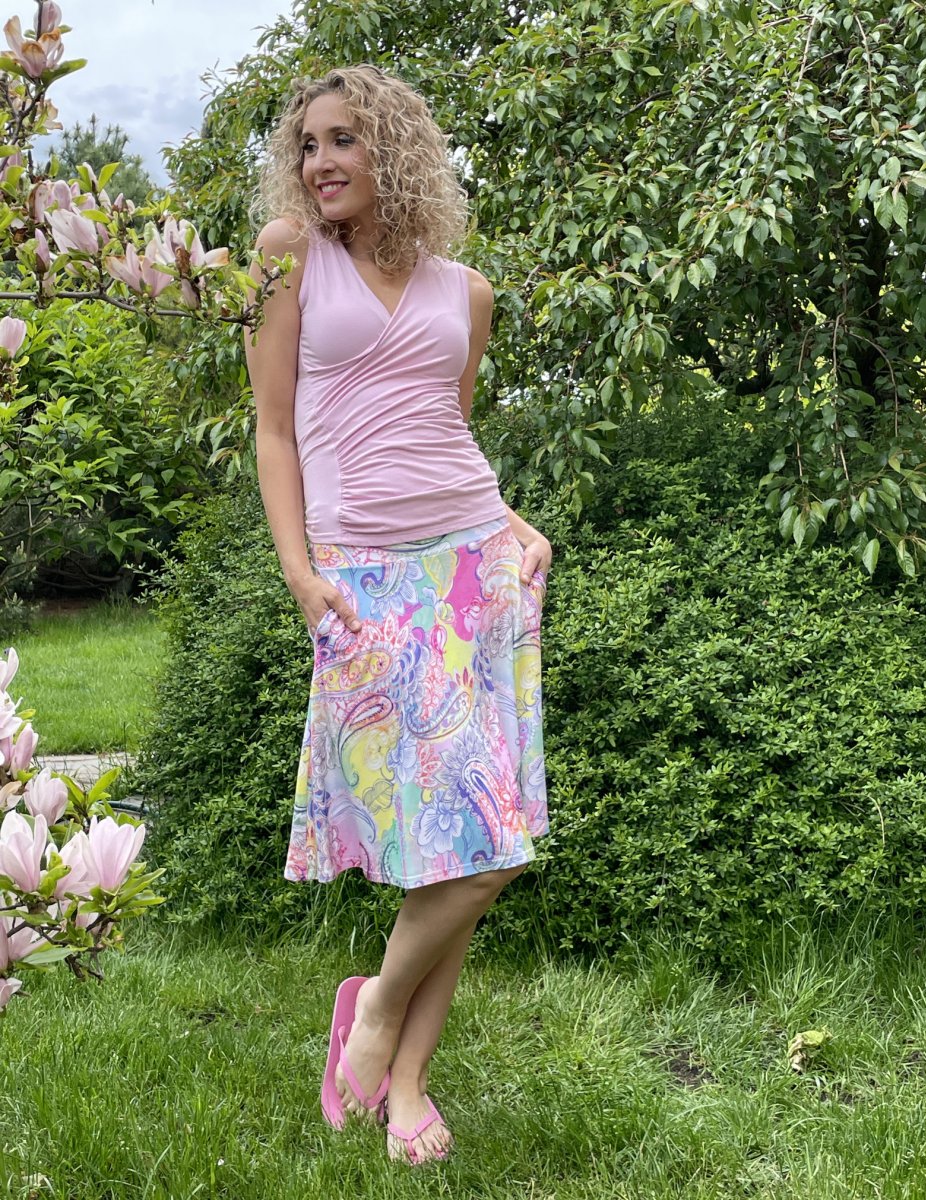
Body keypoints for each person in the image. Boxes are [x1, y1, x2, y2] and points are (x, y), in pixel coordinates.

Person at [244, 64, 550, 1166]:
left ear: (395, 150)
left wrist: (515, 527)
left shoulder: (465, 291)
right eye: (308, 143)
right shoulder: (287, 256)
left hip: (474, 571)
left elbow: (443, 432)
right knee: (453, 850)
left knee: (480, 844)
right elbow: (274, 429)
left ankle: (387, 1042)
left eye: (344, 140)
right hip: (360, 577)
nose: (320, 161)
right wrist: (299, 572)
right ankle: (382, 1029)